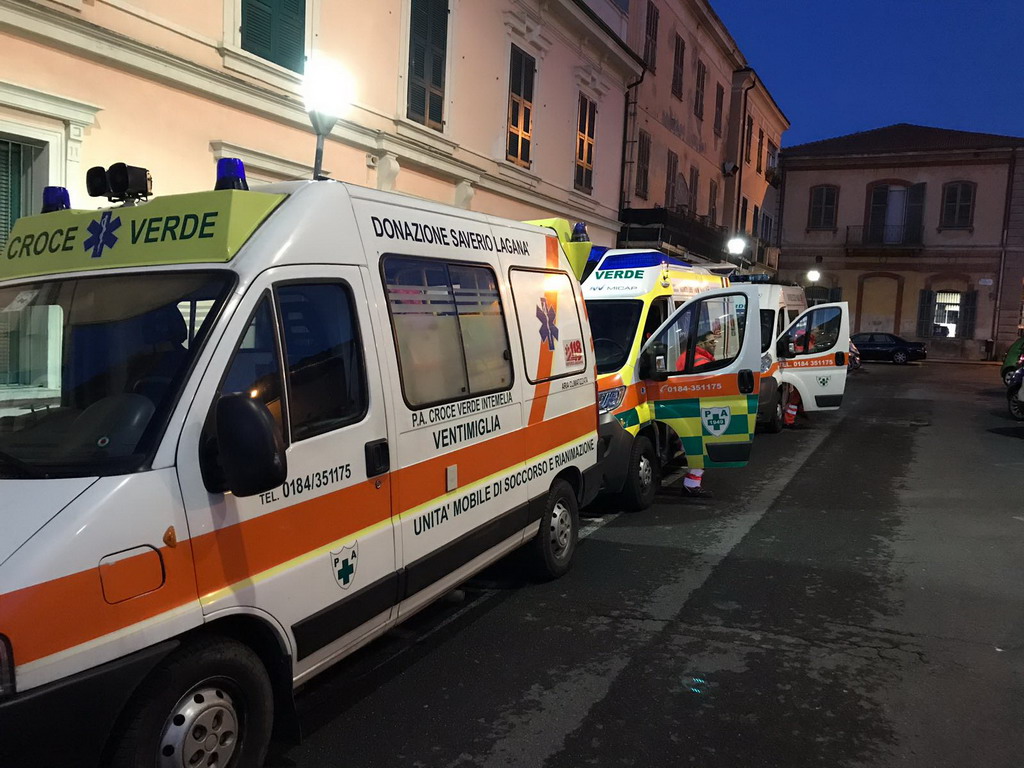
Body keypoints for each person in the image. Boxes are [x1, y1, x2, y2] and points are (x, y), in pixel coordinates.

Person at [677, 330, 716, 499]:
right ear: (700, 344)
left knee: (696, 450)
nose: (714, 345)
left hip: (687, 410)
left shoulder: (686, 356)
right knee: (701, 450)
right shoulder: (701, 361)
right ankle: (691, 485)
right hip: (697, 410)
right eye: (711, 342)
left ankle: (691, 484)